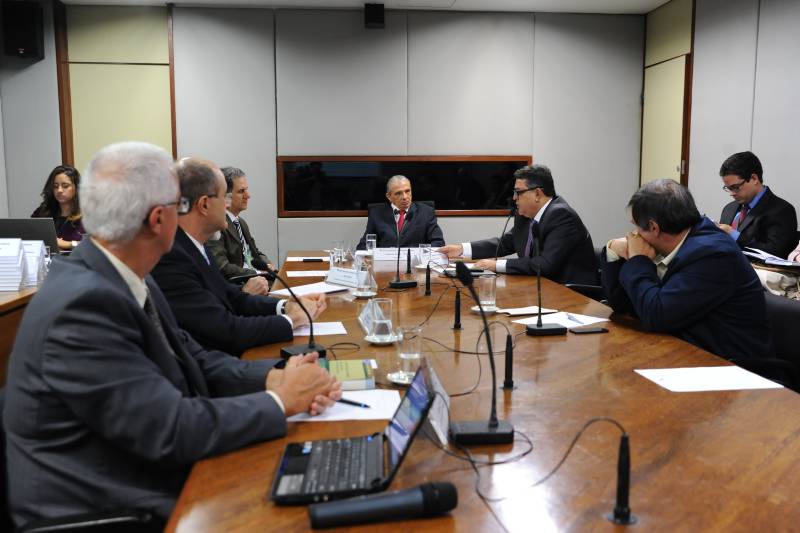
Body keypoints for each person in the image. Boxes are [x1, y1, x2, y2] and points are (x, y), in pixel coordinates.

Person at [3, 141, 341, 528]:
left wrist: (272, 377)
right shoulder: (81, 308)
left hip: (149, 474)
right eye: (180, 205)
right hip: (118, 507)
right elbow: (170, 429)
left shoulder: (122, 272)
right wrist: (281, 400)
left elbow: (193, 358)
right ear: (159, 220)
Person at [151, 157, 327, 356]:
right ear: (205, 205)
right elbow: (226, 330)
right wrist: (291, 320)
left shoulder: (195, 245)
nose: (227, 206)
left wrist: (287, 306)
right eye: (223, 198)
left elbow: (235, 298)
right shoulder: (173, 258)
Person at [601, 178, 771, 361]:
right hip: (684, 351)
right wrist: (613, 250)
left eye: (636, 226)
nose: (634, 235)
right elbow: (624, 306)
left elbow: (656, 315)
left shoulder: (712, 255)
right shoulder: (680, 242)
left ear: (653, 227)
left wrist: (638, 260)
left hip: (733, 368)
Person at [438, 164, 598, 284]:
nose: (514, 198)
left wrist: (496, 265)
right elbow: (505, 243)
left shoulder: (561, 215)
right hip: (541, 287)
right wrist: (461, 249)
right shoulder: (526, 215)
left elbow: (545, 264)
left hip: (572, 294)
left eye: (518, 192)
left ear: (537, 193)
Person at [717, 151, 797, 258]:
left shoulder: (782, 210)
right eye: (728, 188)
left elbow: (775, 252)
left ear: (754, 179)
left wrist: (734, 235)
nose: (731, 193)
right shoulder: (729, 208)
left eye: (735, 187)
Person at [207, 167, 274, 293]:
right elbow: (223, 267)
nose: (248, 196)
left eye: (246, 190)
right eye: (241, 191)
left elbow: (255, 253)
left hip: (257, 282)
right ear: (225, 196)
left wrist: (266, 264)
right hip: (240, 288)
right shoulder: (217, 225)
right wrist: (257, 272)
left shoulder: (240, 222)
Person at [356, 175, 445, 249]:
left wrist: (421, 254)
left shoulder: (426, 212)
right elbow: (364, 245)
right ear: (389, 196)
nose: (405, 197)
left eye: (407, 191)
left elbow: (438, 243)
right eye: (398, 193)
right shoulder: (377, 214)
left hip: (415, 264)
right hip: (387, 264)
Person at [31, 164, 85, 251]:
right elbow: (29, 237)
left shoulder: (89, 215)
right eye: (55, 186)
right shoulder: (43, 211)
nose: (59, 190)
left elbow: (98, 247)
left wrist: (67, 244)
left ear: (77, 188)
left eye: (65, 186)